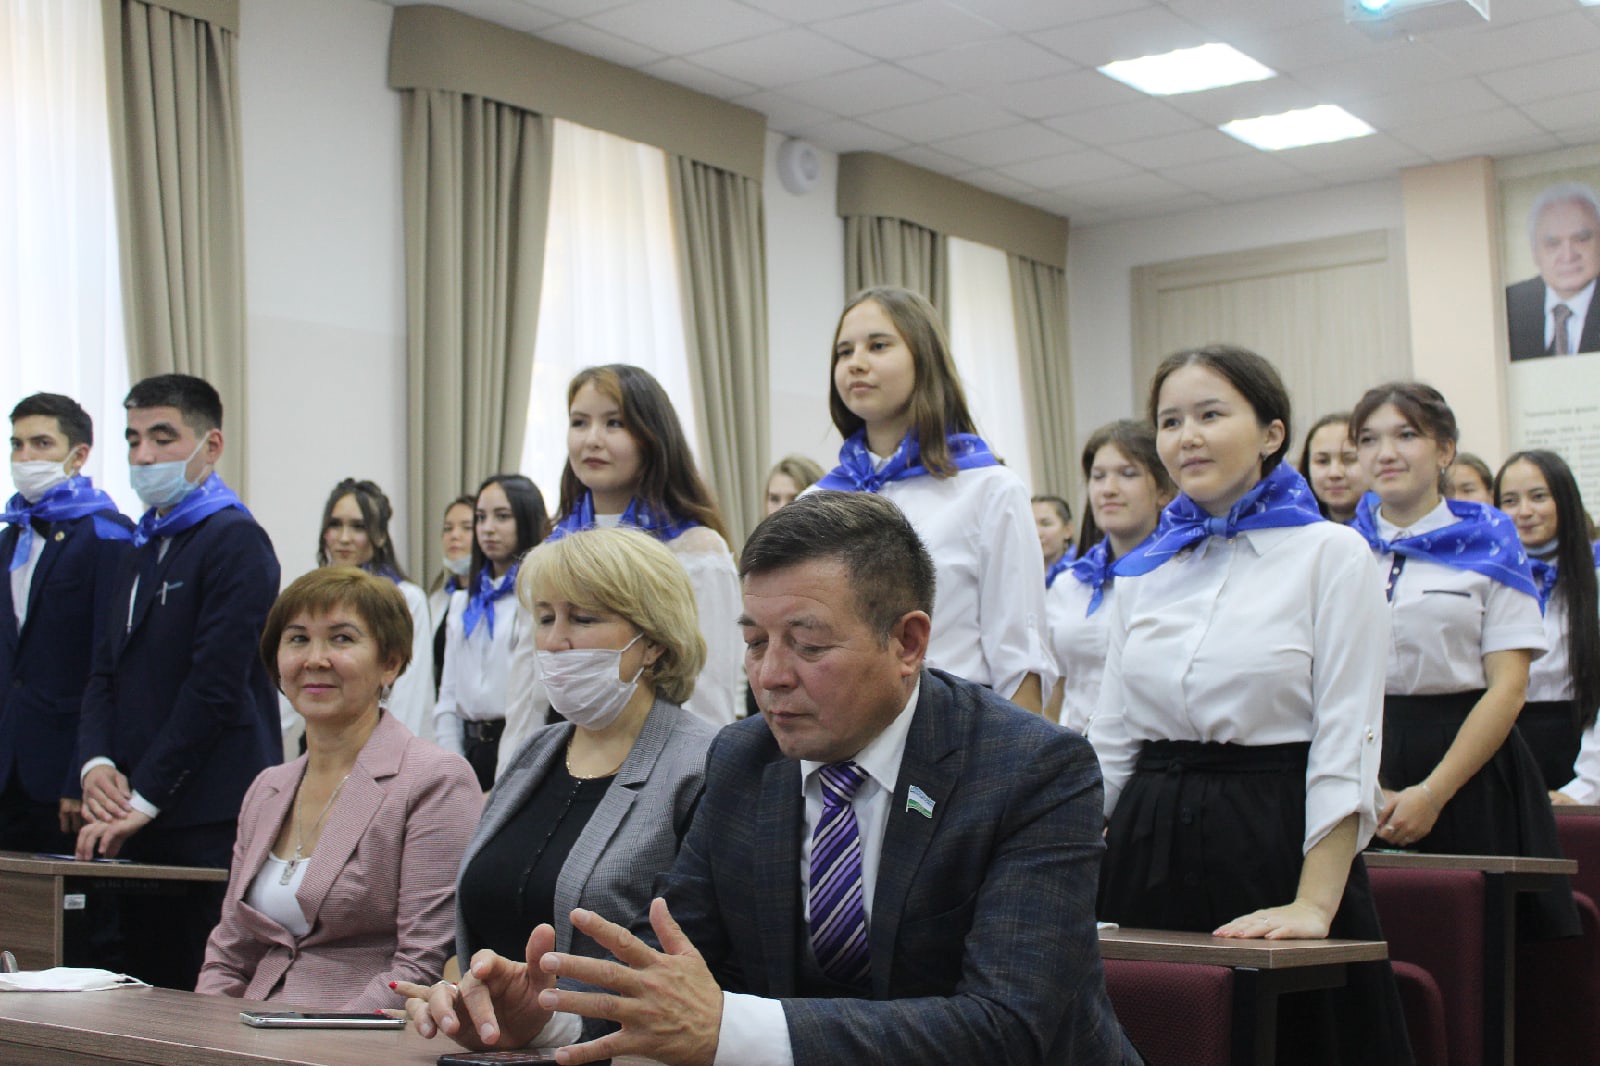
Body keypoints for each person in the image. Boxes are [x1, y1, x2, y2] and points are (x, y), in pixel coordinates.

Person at [400, 490, 1140, 1066]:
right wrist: (545, 1018)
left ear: (908, 642)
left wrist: (731, 1028)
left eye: (808, 645)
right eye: (755, 643)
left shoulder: (1031, 770)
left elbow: (1007, 1029)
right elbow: (677, 965)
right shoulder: (745, 760)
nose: (771, 676)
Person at [1091, 346, 1410, 1065]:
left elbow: (1347, 738)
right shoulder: (1144, 569)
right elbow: (1109, 739)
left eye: (1210, 415)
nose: (1187, 437)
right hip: (1146, 843)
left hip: (1273, 836)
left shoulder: (1332, 554)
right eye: (1171, 421)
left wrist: (1315, 905)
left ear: (1271, 433)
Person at [75, 373, 282, 990]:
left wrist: (143, 798)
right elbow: (103, 670)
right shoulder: (140, 544)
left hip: (205, 810)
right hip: (133, 808)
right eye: (133, 439)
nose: (143, 456)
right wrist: (96, 764)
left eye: (163, 437)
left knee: (195, 982)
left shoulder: (236, 540)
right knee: (128, 976)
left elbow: (213, 689)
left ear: (210, 445)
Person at [1350, 382, 1577, 939]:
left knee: (1481, 947)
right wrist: (1368, 786)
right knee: (1375, 940)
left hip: (1470, 761)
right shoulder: (1340, 548)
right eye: (1369, 439)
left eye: (1406, 435)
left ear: (1445, 450)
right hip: (1364, 756)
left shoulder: (1492, 542)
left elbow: (1508, 687)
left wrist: (1432, 793)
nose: (1386, 453)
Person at [197, 568, 480, 1008]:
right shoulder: (267, 789)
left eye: (341, 639)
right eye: (297, 639)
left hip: (363, 1032)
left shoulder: (435, 780)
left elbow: (420, 966)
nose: (315, 659)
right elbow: (228, 955)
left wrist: (313, 1039)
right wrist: (205, 1034)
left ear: (390, 663)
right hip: (249, 1026)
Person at [452, 527, 714, 977]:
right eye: (545, 618)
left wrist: (550, 1012)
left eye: (583, 619)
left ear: (653, 641)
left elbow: (687, 950)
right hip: (486, 1021)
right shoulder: (536, 752)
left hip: (605, 1022)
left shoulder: (700, 766)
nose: (555, 641)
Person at [814, 286, 1052, 713]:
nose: (856, 363)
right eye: (844, 352)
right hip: (840, 724)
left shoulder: (989, 489)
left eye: (878, 346)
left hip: (955, 724)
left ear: (924, 359)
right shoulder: (816, 501)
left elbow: (1022, 662)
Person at [514, 364, 740, 740]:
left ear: (652, 435)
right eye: (579, 422)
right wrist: (516, 767)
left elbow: (709, 696)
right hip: (565, 748)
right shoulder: (552, 549)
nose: (592, 439)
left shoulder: (694, 548)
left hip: (660, 753)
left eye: (614, 423)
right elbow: (527, 693)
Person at [0, 394, 132, 854]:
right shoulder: (9, 538)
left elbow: (107, 661)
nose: (25, 458)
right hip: (7, 763)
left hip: (63, 770)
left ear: (78, 455)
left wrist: (83, 768)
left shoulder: (107, 534)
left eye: (41, 444)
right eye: (17, 444)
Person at [281, 479, 434, 753]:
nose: (344, 538)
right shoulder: (307, 599)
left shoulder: (406, 599)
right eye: (335, 524)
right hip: (320, 743)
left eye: (358, 526)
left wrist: (392, 759)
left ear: (380, 535)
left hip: (380, 745)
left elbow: (410, 695)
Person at [1045, 421, 1171, 732]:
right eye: (1098, 476)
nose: (1108, 489)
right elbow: (1056, 683)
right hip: (1079, 744)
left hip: (1154, 745)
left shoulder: (1179, 573)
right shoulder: (1069, 584)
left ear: (1163, 491)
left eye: (1128, 474)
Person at [1494, 451, 1600, 793]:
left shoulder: (1594, 575)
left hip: (1582, 745)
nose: (1524, 511)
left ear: (1565, 500)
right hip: (1503, 740)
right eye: (1510, 501)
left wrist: (1586, 785)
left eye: (1538, 497)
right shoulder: (1490, 579)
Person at [433, 474, 547, 789]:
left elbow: (536, 700)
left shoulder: (538, 599)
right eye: (481, 518)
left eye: (502, 516)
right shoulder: (462, 602)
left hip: (520, 744)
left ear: (527, 519)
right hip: (468, 749)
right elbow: (447, 696)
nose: (487, 528)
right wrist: (453, 765)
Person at [1507, 182, 1600, 361]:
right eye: (1553, 244)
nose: (1568, 256)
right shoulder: (1511, 303)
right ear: (1535, 252)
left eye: (1581, 239)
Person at [428, 495, 476, 695]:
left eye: (467, 528)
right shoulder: (438, 597)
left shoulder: (494, 599)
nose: (454, 535)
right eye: (448, 528)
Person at [1298, 412, 1365, 524]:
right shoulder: (1291, 528)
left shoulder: (1393, 529)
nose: (1335, 473)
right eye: (1322, 461)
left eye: (1349, 460)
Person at [1032, 494, 1075, 580]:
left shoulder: (1080, 572)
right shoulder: (1021, 574)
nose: (1037, 533)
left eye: (1046, 524)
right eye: (1030, 525)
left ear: (1068, 529)